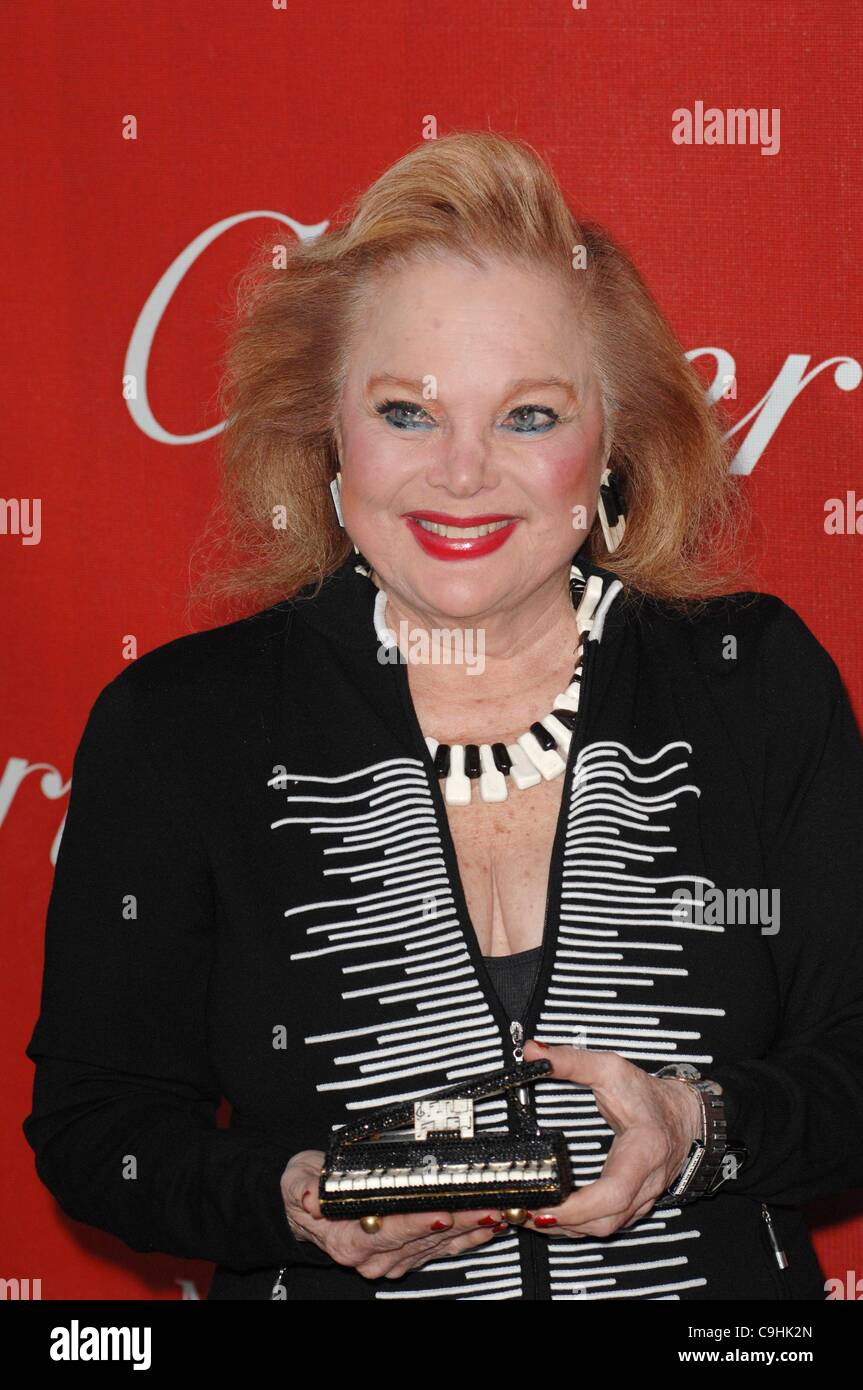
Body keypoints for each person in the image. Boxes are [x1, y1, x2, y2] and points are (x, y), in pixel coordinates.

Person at [23, 132, 863, 1301]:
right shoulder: (176, 725)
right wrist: (290, 1199)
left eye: (527, 415)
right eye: (408, 412)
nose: (462, 473)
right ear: (328, 433)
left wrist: (697, 1125)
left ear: (609, 440)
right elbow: (96, 1124)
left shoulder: (754, 681)